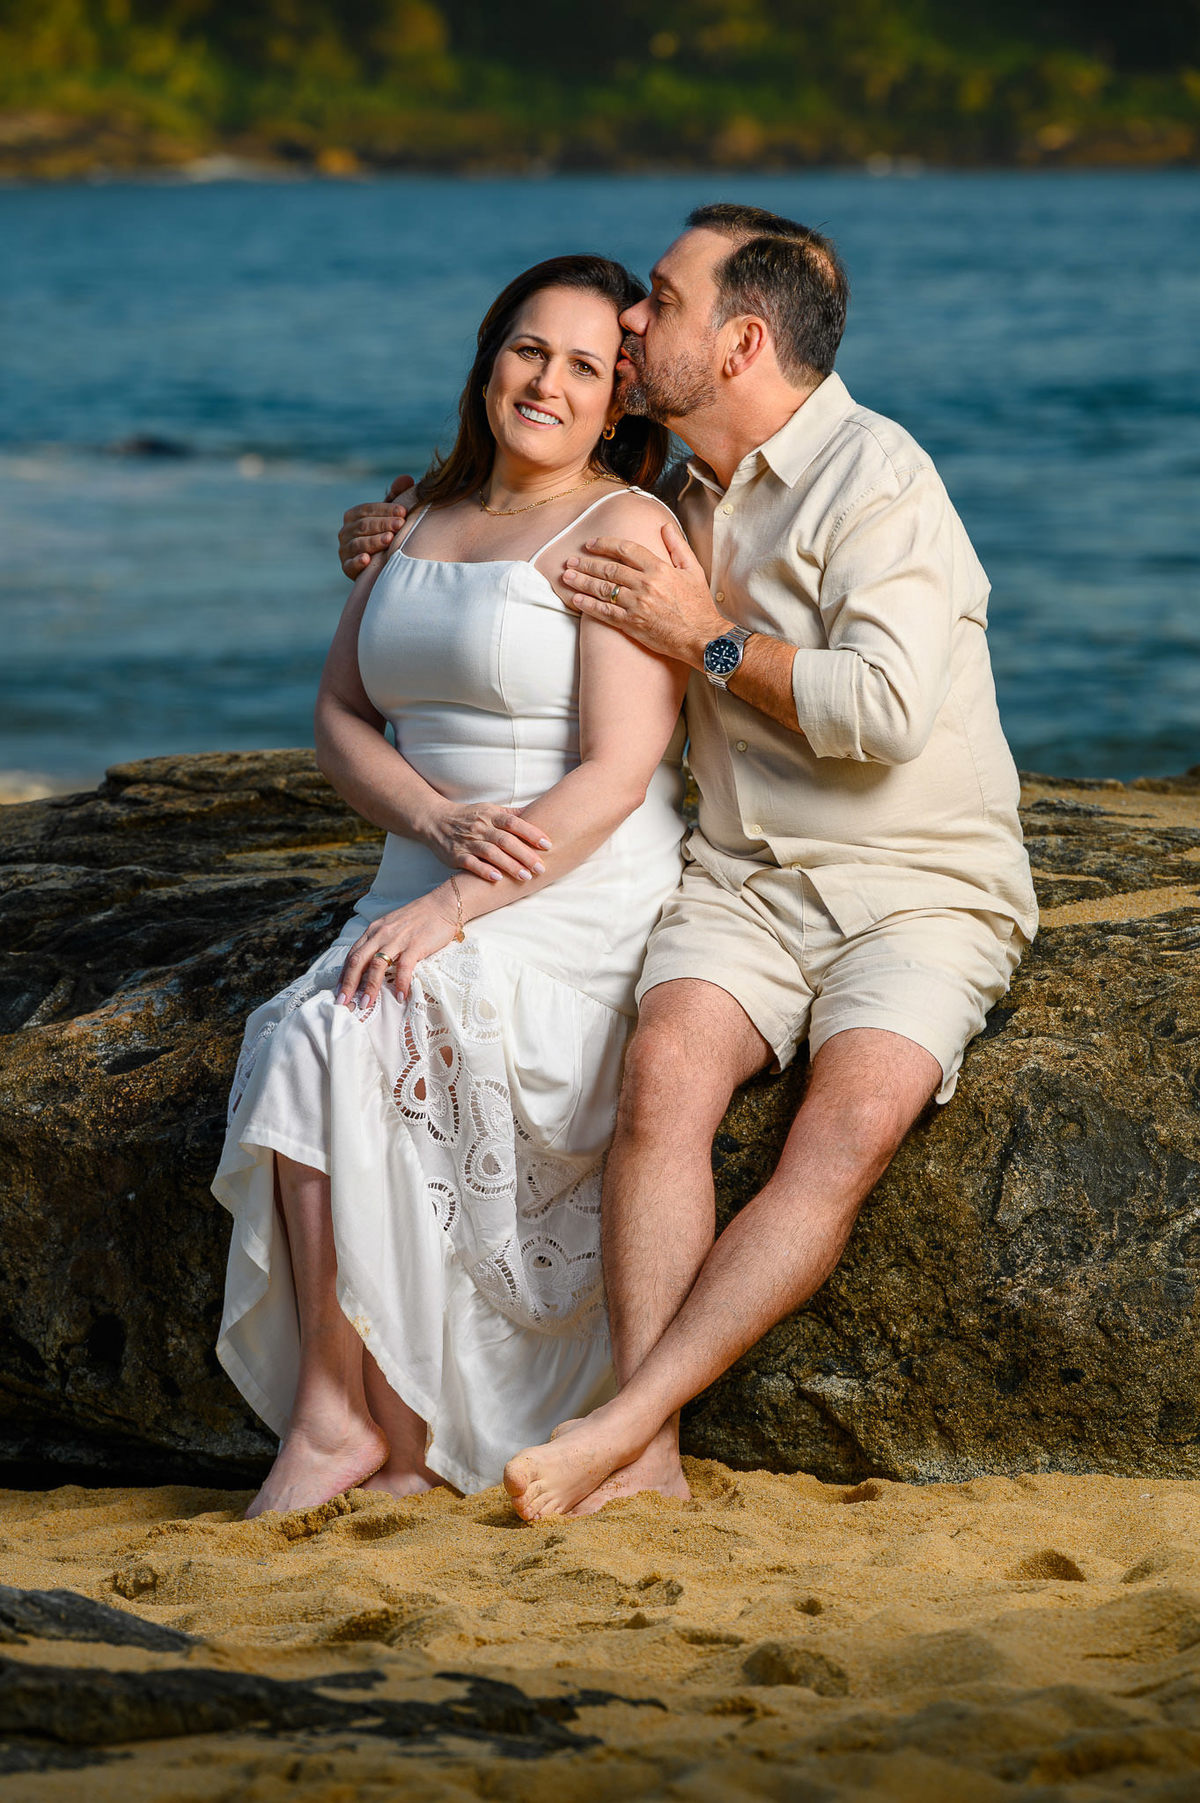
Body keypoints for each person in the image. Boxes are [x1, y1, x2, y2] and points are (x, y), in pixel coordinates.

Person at [340, 204, 1038, 1524]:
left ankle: (620, 1417)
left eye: (661, 299)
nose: (635, 320)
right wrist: (397, 551)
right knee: (661, 1072)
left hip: (925, 882)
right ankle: (648, 1458)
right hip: (744, 877)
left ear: (742, 341)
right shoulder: (669, 492)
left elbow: (884, 712)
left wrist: (709, 635)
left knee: (849, 1122)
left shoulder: (882, 480)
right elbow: (518, 519)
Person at [213, 254, 688, 1519]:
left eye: (587, 367)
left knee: (348, 1025)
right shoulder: (414, 515)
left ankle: (385, 1435)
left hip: (567, 885)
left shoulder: (624, 529)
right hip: (422, 864)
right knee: (306, 1036)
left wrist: (458, 901)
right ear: (490, 361)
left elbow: (622, 768)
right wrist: (430, 824)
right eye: (531, 350)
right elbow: (338, 713)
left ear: (618, 404)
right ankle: (342, 1418)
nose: (550, 381)